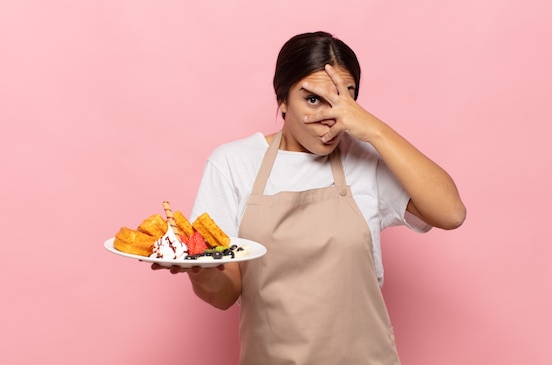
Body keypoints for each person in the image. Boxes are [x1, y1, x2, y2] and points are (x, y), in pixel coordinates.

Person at [152, 31, 466, 364]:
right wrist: (199, 270)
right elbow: (225, 294)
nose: (330, 115)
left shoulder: (364, 161)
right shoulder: (234, 164)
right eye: (313, 99)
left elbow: (451, 213)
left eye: (344, 99)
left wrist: (373, 129)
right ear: (283, 100)